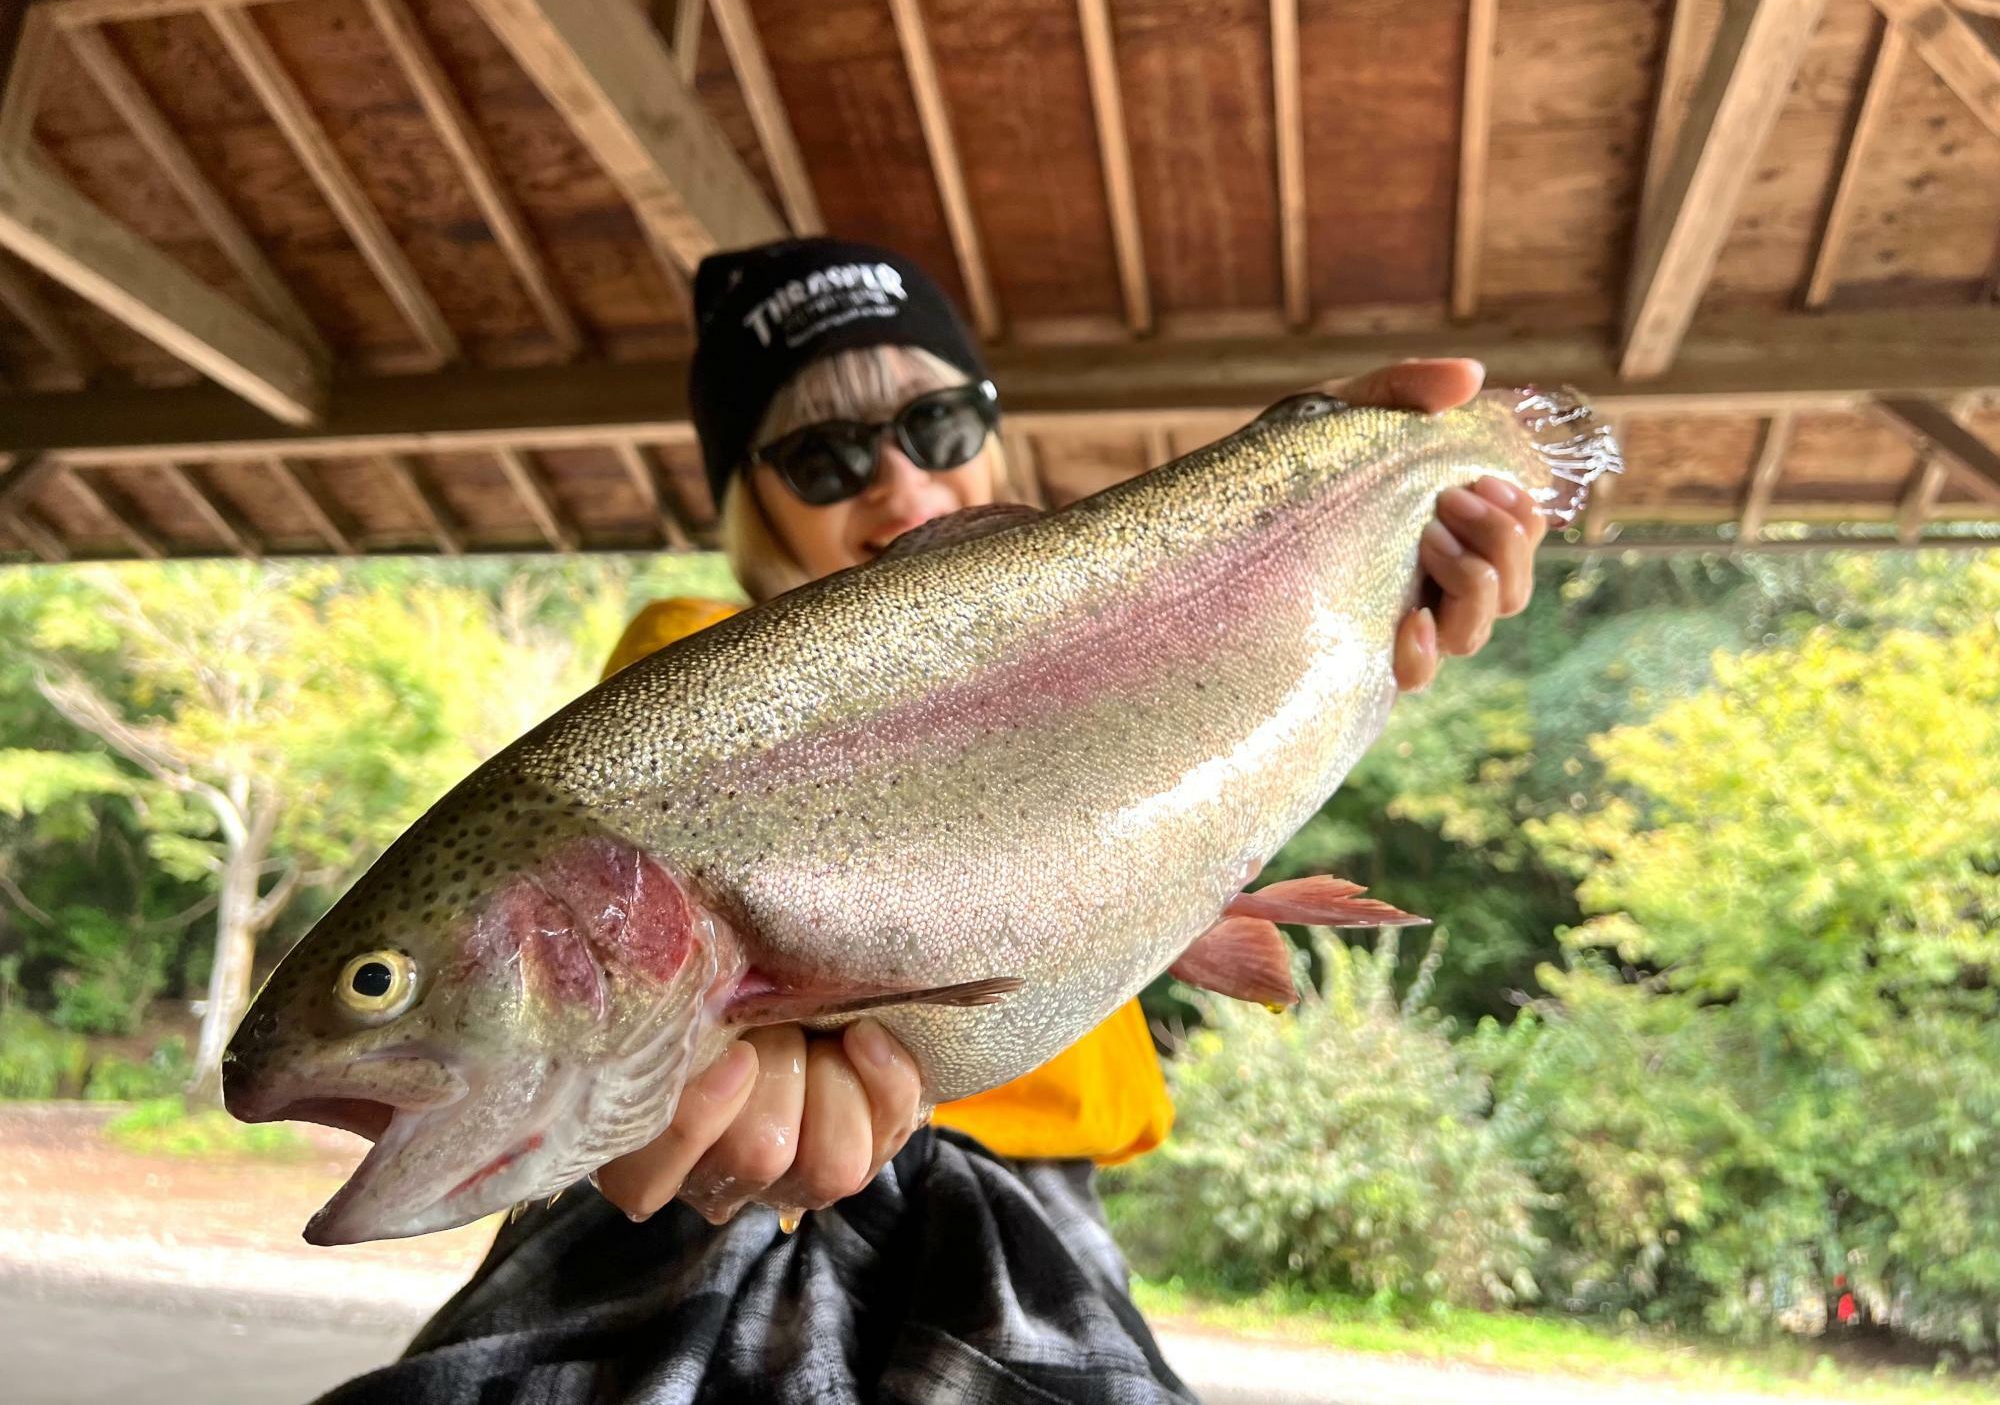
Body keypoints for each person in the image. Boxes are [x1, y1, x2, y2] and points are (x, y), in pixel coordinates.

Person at [322, 238, 1544, 1405]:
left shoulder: (1106, 648)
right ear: (749, 499)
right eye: (823, 457)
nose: (900, 481)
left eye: (937, 426)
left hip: (1037, 1198)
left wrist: (1373, 551)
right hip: (689, 1216)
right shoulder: (688, 665)